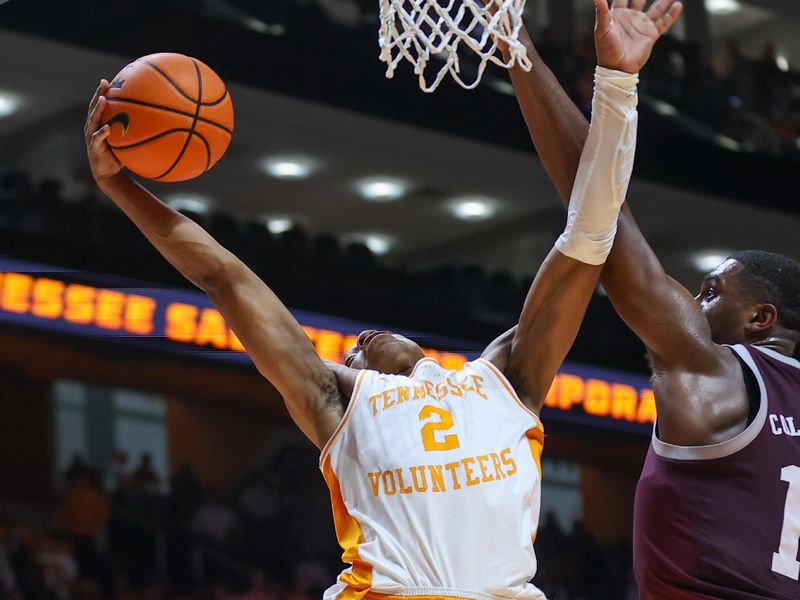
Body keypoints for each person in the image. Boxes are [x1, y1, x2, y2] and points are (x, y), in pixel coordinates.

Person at [84, 24, 642, 595]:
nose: (357, 343)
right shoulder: (339, 404)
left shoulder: (506, 379)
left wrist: (618, 82)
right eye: (348, 353)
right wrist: (120, 188)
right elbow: (223, 278)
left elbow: (589, 232)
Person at [504, 0, 799, 598]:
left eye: (710, 292)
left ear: (760, 319)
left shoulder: (718, 373)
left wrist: (521, 48)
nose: (693, 300)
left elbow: (600, 222)